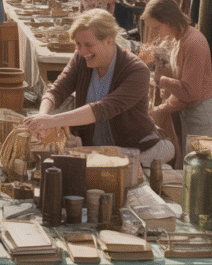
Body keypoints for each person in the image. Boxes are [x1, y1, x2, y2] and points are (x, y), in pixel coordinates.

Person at [24, 9, 175, 167]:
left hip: (135, 148)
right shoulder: (81, 59)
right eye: (78, 45)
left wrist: (53, 121)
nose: (82, 51)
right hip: (96, 149)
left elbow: (104, 108)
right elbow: (57, 89)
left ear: (109, 40)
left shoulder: (136, 71)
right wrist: (41, 117)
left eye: (88, 45)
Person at [141, 0, 212, 155]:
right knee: (189, 168)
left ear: (169, 20)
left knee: (198, 172)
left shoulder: (193, 43)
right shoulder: (179, 39)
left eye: (156, 27)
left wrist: (161, 81)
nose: (155, 32)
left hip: (203, 116)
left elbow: (190, 92)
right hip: (193, 113)